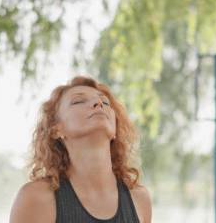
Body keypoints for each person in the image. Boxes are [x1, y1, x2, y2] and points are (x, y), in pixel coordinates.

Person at [9, 76, 152, 223]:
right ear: (56, 130)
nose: (98, 103)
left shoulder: (139, 199)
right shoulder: (36, 199)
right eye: (78, 101)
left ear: (115, 129)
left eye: (105, 102)